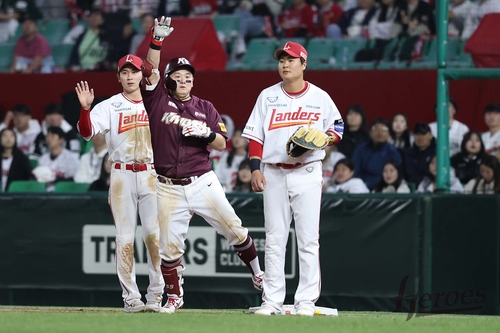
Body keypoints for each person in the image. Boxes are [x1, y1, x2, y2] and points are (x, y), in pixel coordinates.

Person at [141, 16, 264, 314]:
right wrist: (156, 41)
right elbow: (149, 70)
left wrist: (205, 133)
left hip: (202, 180)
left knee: (234, 228)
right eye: (178, 77)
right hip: (168, 186)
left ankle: (259, 274)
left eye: (188, 77)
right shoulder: (157, 100)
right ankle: (174, 296)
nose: (183, 81)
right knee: (169, 248)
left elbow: (222, 142)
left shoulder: (205, 107)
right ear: (168, 80)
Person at [241, 40, 344, 316]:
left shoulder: (320, 97)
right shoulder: (267, 96)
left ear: (303, 64)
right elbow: (254, 137)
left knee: (308, 238)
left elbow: (338, 126)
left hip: (307, 171)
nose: (285, 64)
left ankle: (306, 302)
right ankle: (272, 301)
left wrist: (327, 138)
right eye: (281, 60)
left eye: (290, 60)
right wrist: (255, 168)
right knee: (275, 238)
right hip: (273, 171)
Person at [75, 54, 164, 313]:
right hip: (121, 173)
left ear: (141, 75)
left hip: (150, 172)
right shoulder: (110, 105)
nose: (129, 76)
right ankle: (131, 298)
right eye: (124, 72)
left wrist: (156, 45)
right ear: (118, 77)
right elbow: (87, 132)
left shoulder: (154, 101)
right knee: (125, 237)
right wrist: (85, 109)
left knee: (153, 236)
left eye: (134, 72)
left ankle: (156, 295)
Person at [351, 117, 402, 190]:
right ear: (370, 132)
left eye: (384, 129)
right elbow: (355, 172)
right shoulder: (360, 150)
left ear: (388, 133)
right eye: (376, 128)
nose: (380, 132)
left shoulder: (393, 152)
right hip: (361, 188)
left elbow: (396, 177)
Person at [36, 126, 80, 191]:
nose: (49, 139)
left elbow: (74, 180)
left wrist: (59, 180)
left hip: (64, 193)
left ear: (61, 139)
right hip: (45, 193)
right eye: (48, 136)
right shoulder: (42, 159)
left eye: (52, 136)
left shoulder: (71, 158)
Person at [403, 122, 435, 186]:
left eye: (423, 134)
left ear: (430, 136)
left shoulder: (437, 154)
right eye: (417, 134)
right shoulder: (407, 153)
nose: (420, 137)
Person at [0, 128, 33, 192]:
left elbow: (29, 177)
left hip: (15, 196)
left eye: (11, 136)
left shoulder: (22, 158)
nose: (8, 139)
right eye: (5, 136)